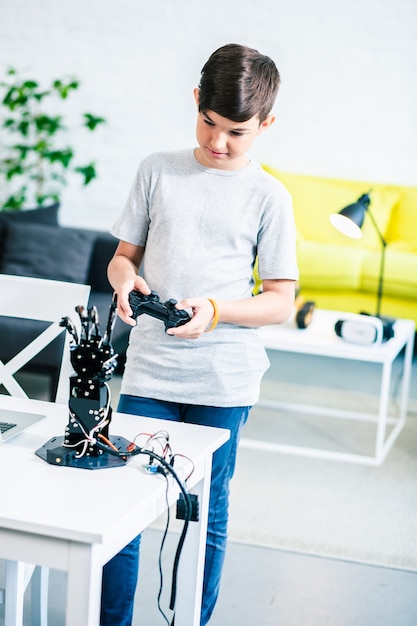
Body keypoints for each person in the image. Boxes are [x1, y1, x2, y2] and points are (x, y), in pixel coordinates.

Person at [100, 42, 299, 626]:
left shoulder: (270, 197)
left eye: (236, 132)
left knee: (203, 513)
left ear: (266, 124)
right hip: (149, 371)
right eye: (209, 124)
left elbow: (281, 302)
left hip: (223, 380)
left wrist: (215, 309)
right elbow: (122, 257)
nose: (218, 142)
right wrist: (125, 279)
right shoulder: (156, 170)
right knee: (124, 504)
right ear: (195, 101)